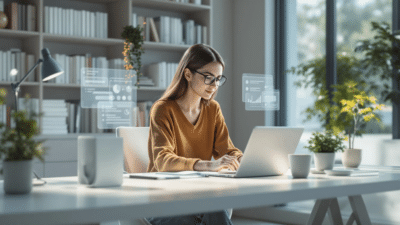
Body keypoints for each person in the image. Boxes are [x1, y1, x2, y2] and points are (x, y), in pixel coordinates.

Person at [146, 44, 243, 225]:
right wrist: (208, 166)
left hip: (197, 196)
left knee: (215, 211)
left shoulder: (213, 109)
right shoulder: (163, 109)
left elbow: (227, 150)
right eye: (208, 78)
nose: (214, 86)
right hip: (162, 199)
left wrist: (243, 160)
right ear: (188, 74)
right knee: (200, 217)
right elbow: (163, 160)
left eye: (218, 79)